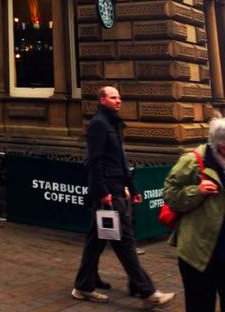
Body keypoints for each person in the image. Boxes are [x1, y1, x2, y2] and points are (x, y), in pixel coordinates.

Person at [71, 85, 174, 307]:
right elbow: (95, 161)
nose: (119, 100)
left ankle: (83, 285)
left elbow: (119, 159)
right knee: (124, 241)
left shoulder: (112, 123)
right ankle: (148, 292)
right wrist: (103, 191)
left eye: (119, 97)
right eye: (113, 97)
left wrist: (133, 187)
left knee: (96, 240)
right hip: (108, 193)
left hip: (116, 187)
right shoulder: (98, 125)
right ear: (102, 101)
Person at [163, 115, 225, 312]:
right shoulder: (193, 162)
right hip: (198, 253)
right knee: (200, 304)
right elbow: (170, 196)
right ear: (222, 145)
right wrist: (196, 191)